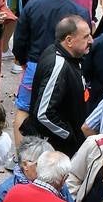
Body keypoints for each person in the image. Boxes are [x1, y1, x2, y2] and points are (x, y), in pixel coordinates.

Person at [22, 14, 93, 155]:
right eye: (86, 37)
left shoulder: (69, 56)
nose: (91, 40)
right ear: (69, 41)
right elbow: (43, 113)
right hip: (57, 150)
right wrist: (69, 136)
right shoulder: (58, 64)